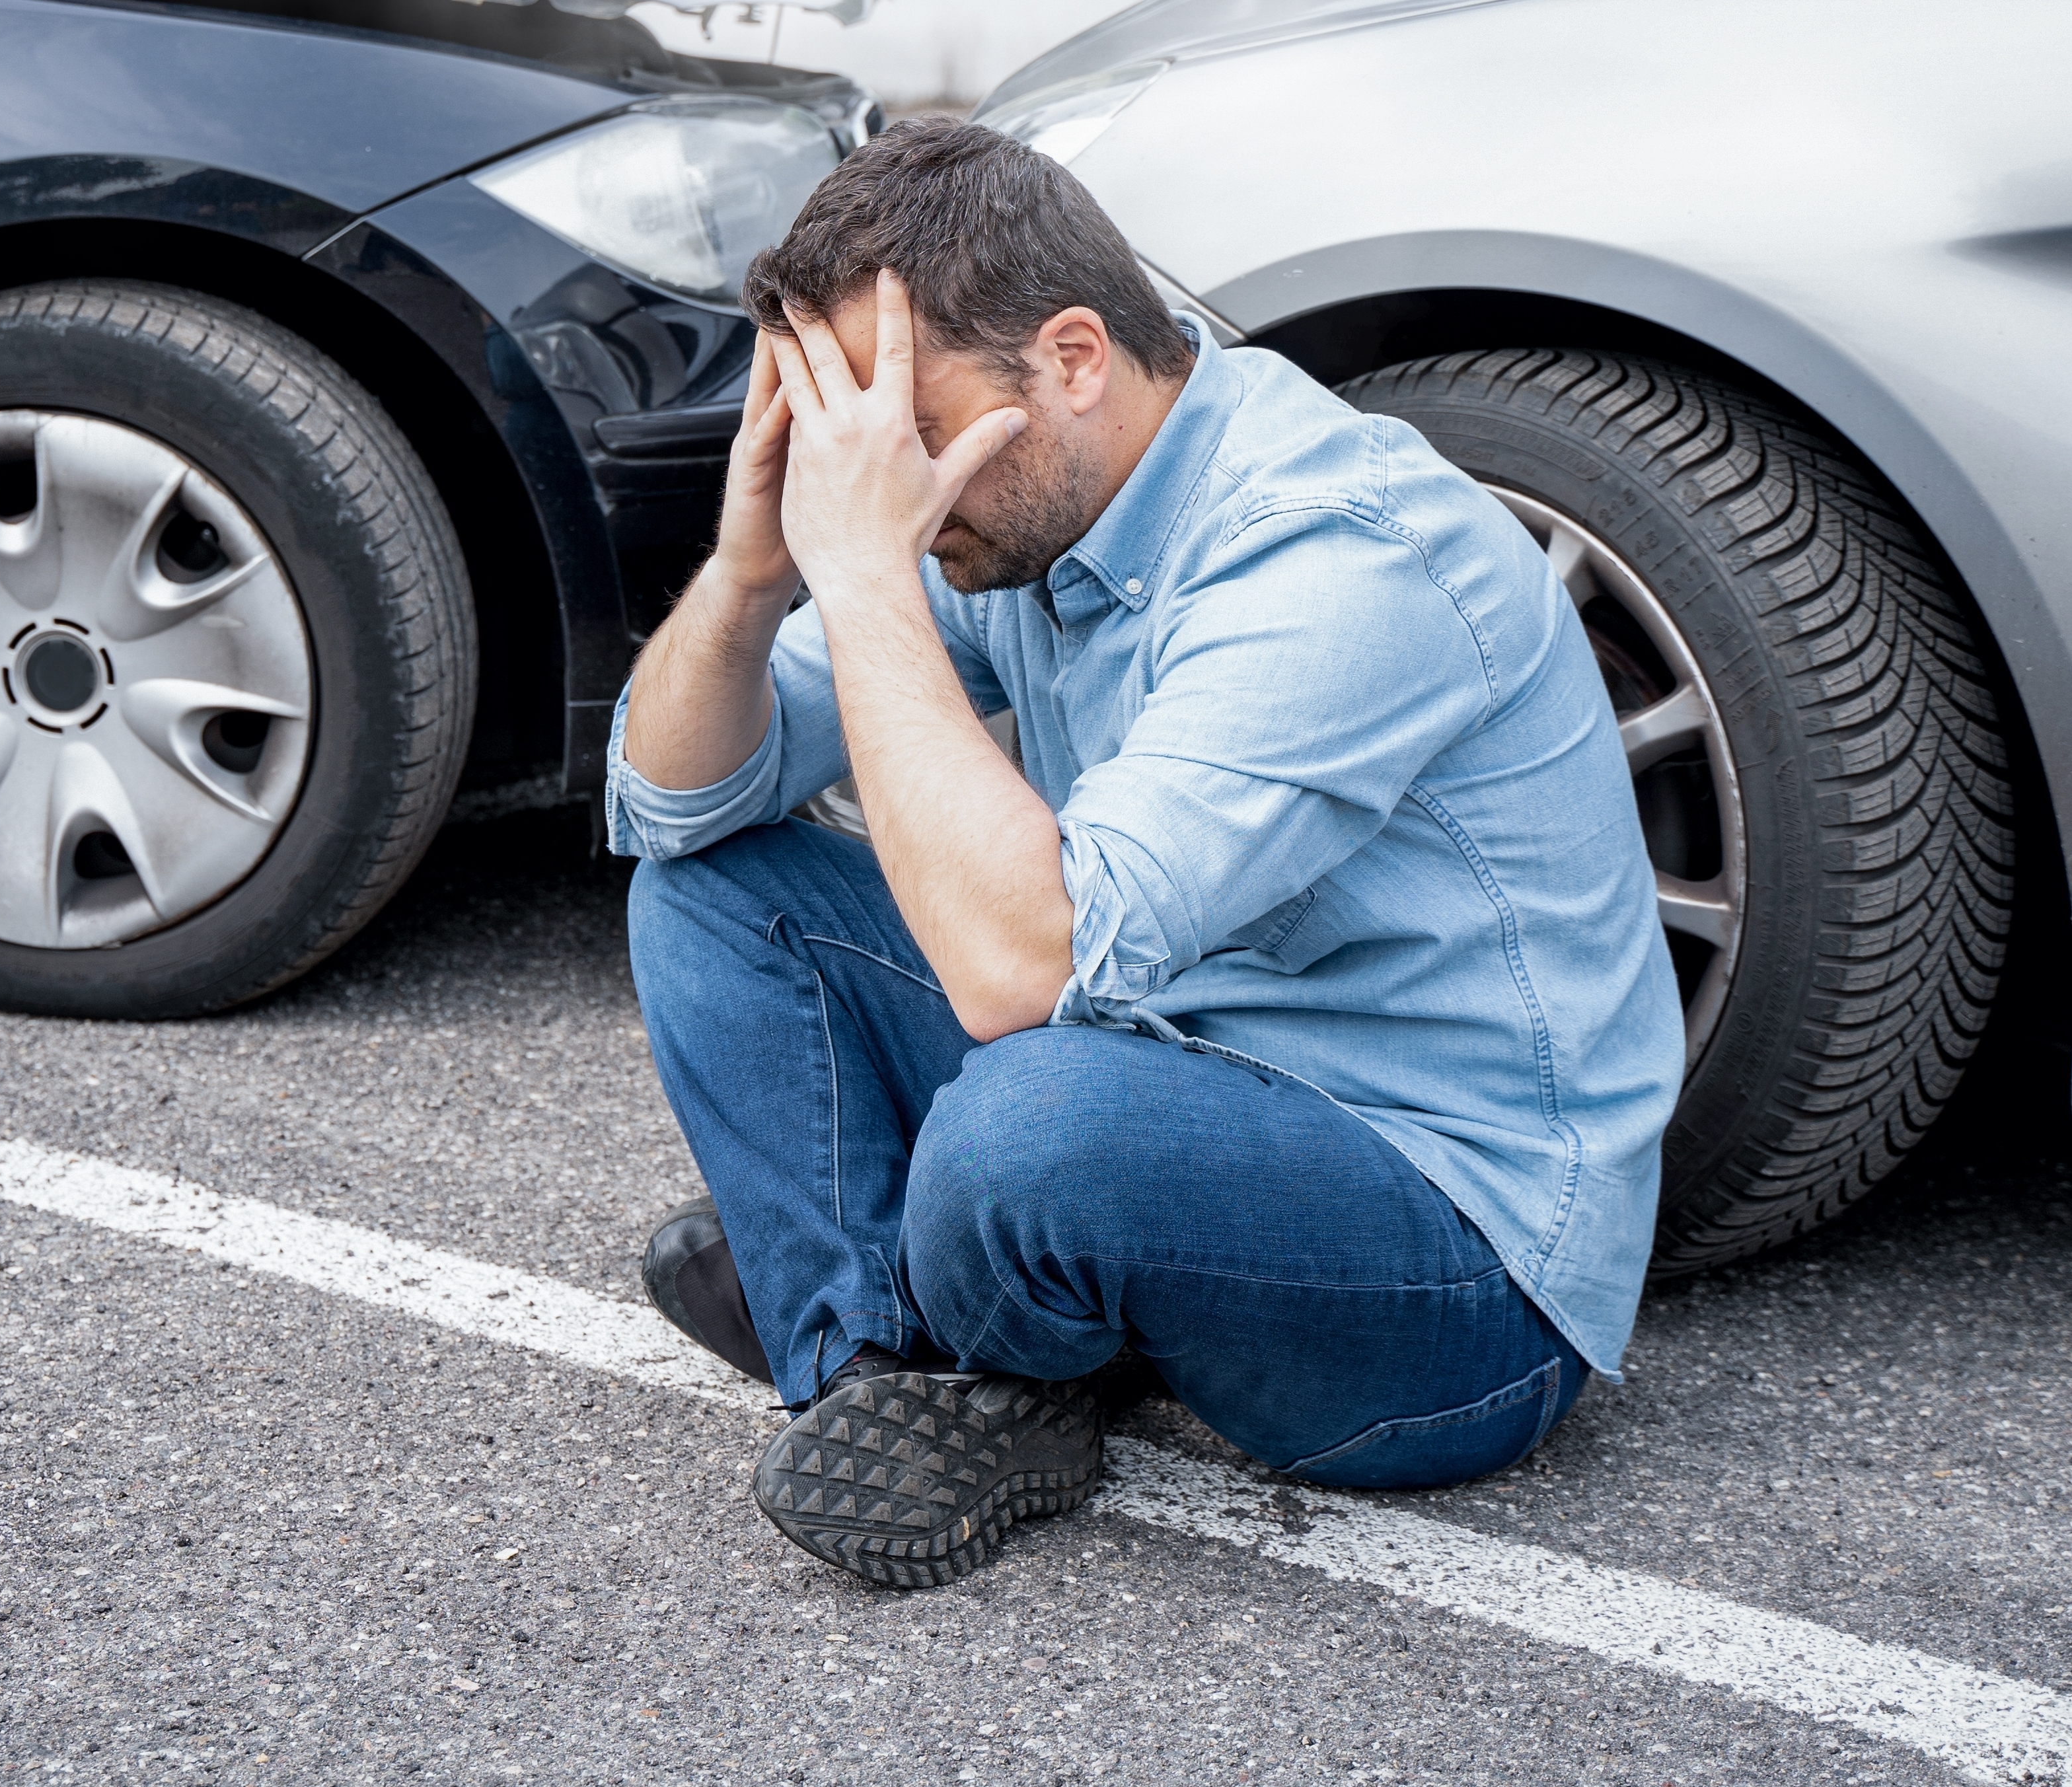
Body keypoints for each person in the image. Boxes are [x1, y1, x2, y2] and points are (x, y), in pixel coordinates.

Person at [609, 118, 1681, 1589]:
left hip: (1451, 1265)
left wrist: (862, 582)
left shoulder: (1335, 552)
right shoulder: (1035, 510)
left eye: (908, 436)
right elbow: (671, 802)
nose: (889, 496)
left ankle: (944, 1301)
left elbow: (1015, 973)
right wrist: (749, 571)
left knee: (1026, 1131)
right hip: (1162, 1074)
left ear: (1068, 358)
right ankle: (879, 1382)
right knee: (711, 895)